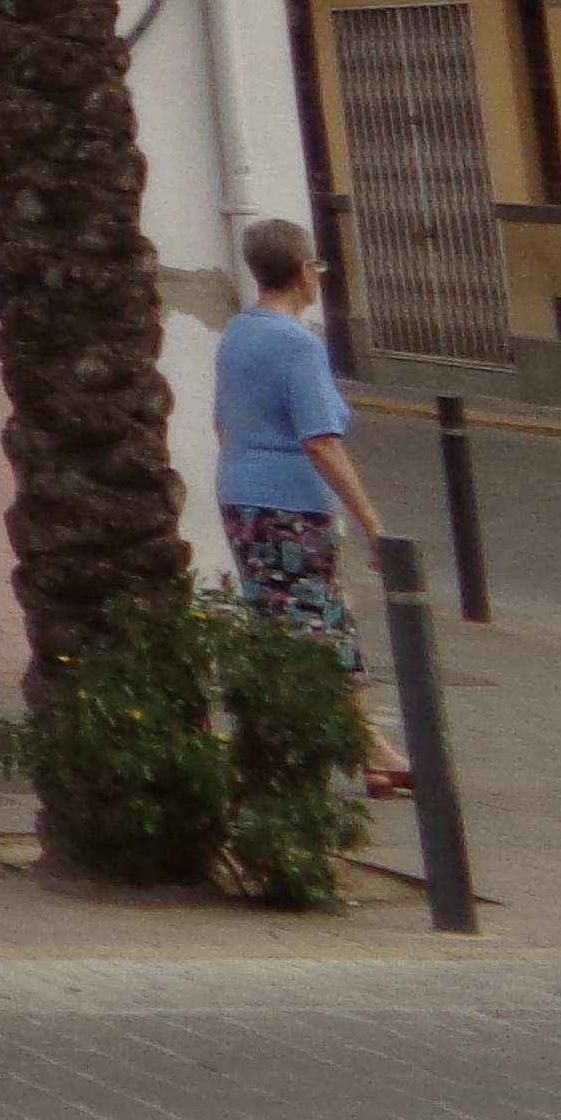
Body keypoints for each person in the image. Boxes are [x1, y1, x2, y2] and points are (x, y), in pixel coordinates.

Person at [217, 217, 405, 792]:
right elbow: (321, 439)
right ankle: (336, 753)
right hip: (291, 505)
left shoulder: (239, 334)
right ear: (304, 272)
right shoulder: (298, 344)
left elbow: (223, 424)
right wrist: (373, 522)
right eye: (318, 267)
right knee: (312, 630)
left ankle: (369, 751)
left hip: (242, 495)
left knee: (300, 626)